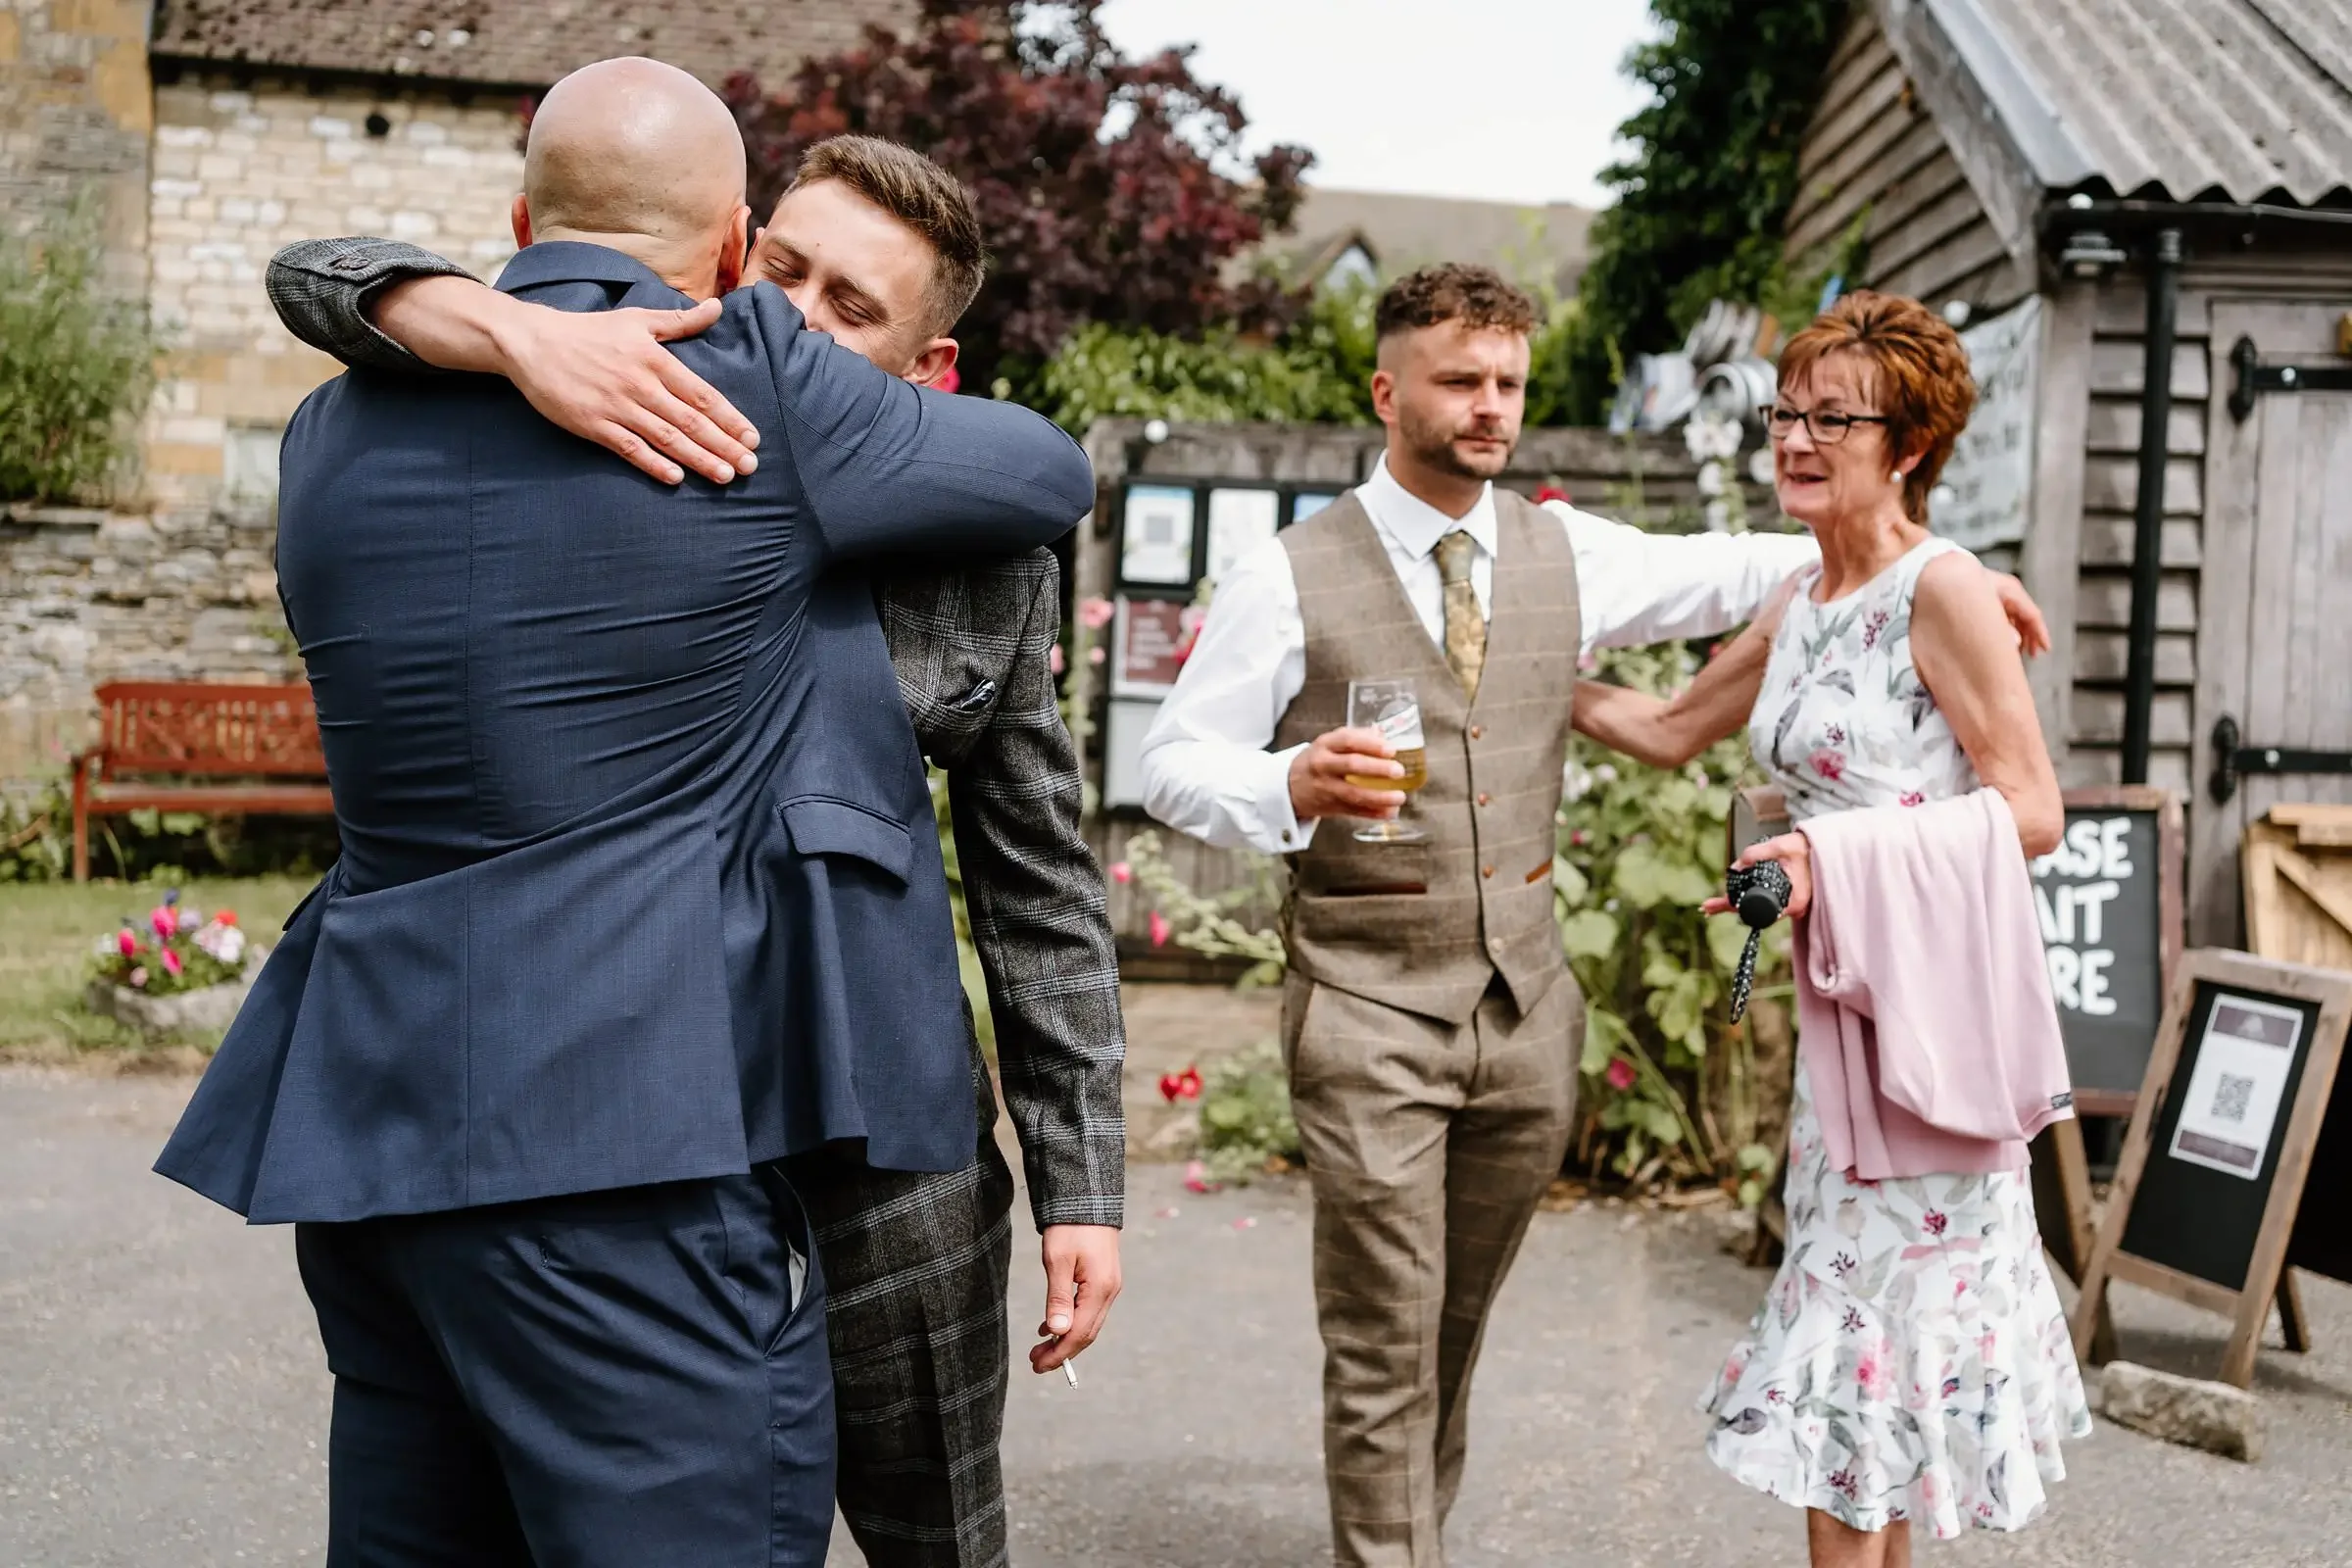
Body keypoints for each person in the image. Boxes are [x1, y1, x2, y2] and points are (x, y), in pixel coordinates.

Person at [154, 61, 1094, 1567]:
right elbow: (1051, 467)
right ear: (734, 252)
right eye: (781, 275)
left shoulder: (327, 434)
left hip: (378, 1140)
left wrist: (471, 319)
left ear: (522, 224)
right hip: (620, 1147)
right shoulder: (760, 392)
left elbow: (1036, 878)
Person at [1132, 263, 2048, 1568]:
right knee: (1386, 1341)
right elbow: (1171, 762)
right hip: (1368, 1006)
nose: (1491, 406)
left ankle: (1408, 1533)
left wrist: (1962, 575)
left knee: (1450, 1335)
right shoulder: (1285, 574)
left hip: (1533, 1022)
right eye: (1461, 379)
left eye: (1509, 382)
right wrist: (1287, 782)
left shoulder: (1566, 555)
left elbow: (1797, 558)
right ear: (1386, 391)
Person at [1573, 289, 2092, 1566]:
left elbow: (2033, 812)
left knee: (1862, 1390)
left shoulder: (1944, 591)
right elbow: (1668, 729)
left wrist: (1828, 859)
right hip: (1840, 1023)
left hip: (1931, 1022)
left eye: (1833, 420)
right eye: (1785, 413)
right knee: (1874, 1386)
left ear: (1908, 445)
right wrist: (1506, 676)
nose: (1796, 439)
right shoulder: (1802, 594)